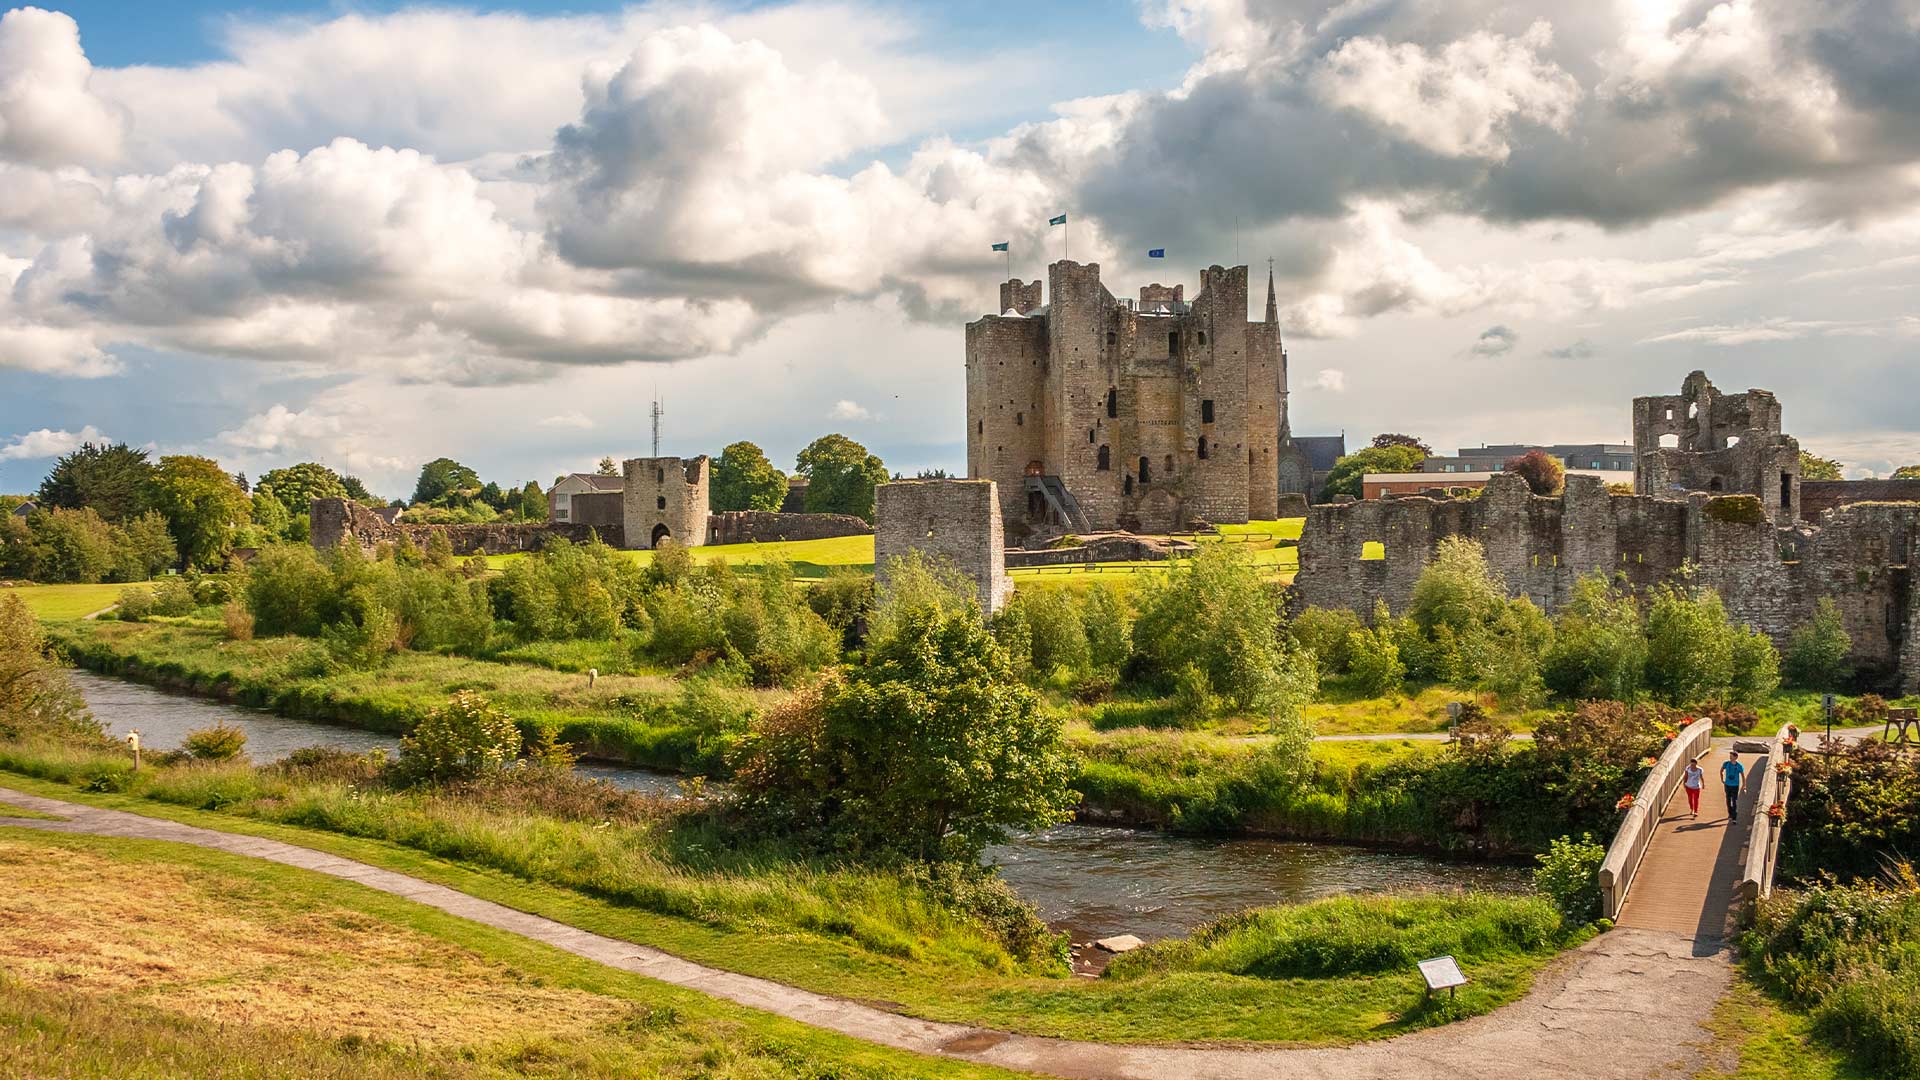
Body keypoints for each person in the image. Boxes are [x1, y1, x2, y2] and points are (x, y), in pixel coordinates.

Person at [1721, 751, 1745, 823]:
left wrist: (1744, 785)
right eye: (1730, 756)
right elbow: (1721, 770)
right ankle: (1730, 813)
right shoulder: (1726, 764)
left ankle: (1734, 817)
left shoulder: (1739, 766)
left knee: (1734, 801)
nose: (1730, 758)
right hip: (1727, 785)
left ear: (1736, 757)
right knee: (1728, 800)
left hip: (1735, 785)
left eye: (1731, 756)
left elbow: (1743, 776)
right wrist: (1722, 779)